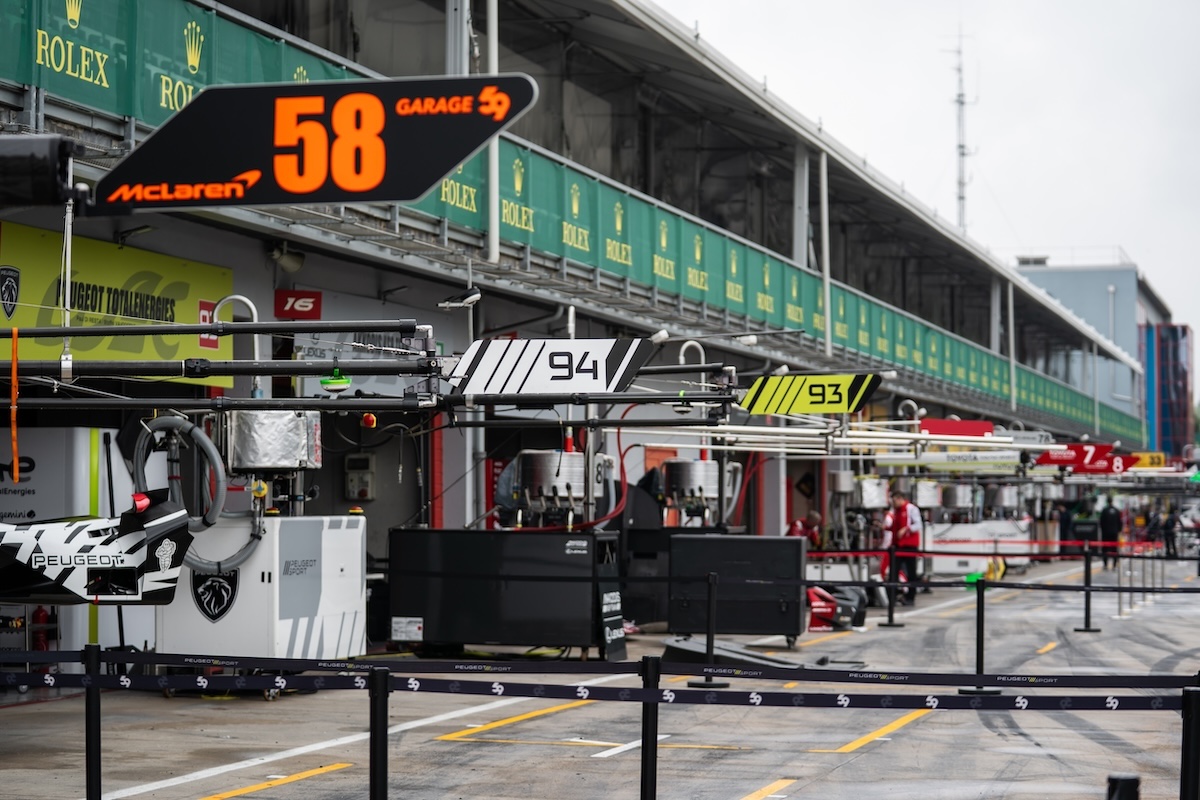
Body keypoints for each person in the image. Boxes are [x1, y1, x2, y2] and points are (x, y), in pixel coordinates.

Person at [883, 489, 923, 605]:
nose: (893, 504)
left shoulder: (911, 509)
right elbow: (895, 527)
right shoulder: (896, 511)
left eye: (894, 501)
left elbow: (918, 524)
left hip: (909, 545)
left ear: (900, 499)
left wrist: (906, 529)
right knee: (893, 572)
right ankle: (893, 597)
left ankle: (911, 597)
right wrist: (885, 527)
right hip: (897, 546)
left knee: (911, 573)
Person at [1098, 496, 1123, 570]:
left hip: (1106, 533)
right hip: (1114, 533)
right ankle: (1114, 565)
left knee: (1105, 549)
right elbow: (1120, 522)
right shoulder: (1117, 511)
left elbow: (1101, 522)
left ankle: (1105, 564)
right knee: (1114, 549)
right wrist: (1119, 531)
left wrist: (1103, 530)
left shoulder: (1104, 510)